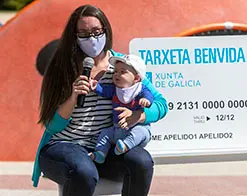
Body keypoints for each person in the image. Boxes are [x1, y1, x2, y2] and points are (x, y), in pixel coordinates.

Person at [31, 4, 168, 196]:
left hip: (105, 148)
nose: (92, 38)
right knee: (83, 171)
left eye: (96, 31)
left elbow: (161, 104)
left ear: (106, 30)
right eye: (84, 33)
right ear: (74, 36)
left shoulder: (123, 66)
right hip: (64, 146)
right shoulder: (61, 68)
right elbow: (51, 126)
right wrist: (72, 97)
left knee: (141, 161)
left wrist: (138, 115)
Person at [89, 54, 154, 164]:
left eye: (123, 72)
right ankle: (100, 153)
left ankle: (125, 145)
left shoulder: (140, 89)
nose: (117, 74)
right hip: (117, 129)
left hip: (135, 127)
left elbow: (150, 96)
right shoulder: (115, 89)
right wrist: (96, 87)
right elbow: (105, 91)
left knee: (141, 132)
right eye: (115, 71)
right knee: (105, 133)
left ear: (137, 78)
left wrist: (146, 101)